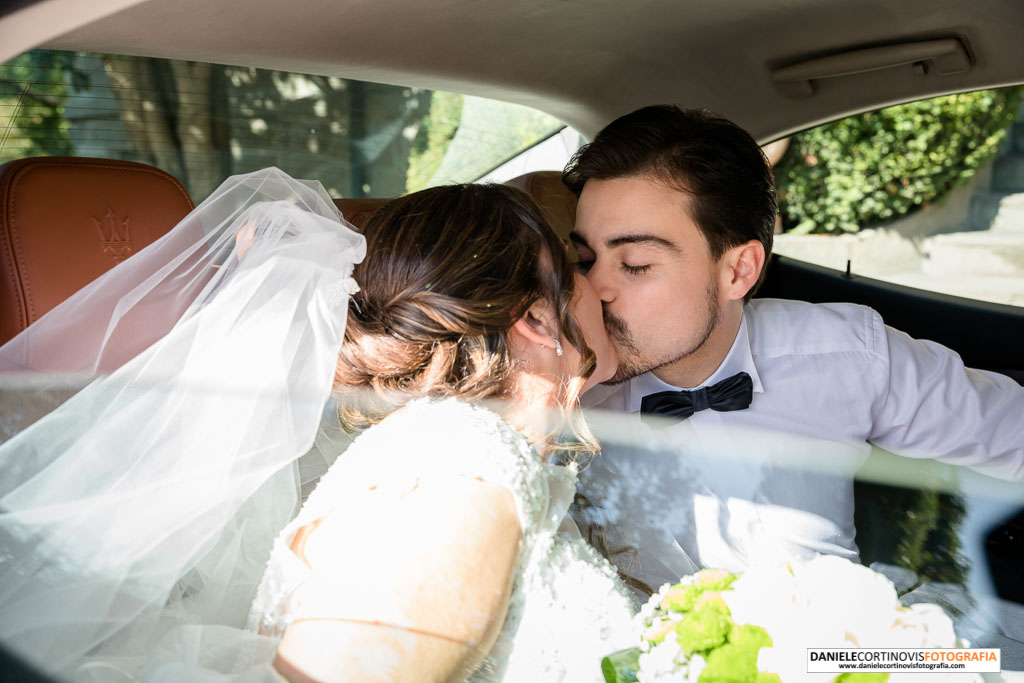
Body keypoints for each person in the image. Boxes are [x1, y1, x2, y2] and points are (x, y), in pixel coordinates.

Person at [0, 169, 636, 682]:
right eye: (577, 270)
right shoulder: (464, 478)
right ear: (534, 319)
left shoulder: (467, 452)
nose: (602, 290)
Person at [562, 105, 1024, 592]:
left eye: (634, 264)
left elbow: (1011, 434)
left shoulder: (845, 357)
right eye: (585, 259)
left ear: (739, 271)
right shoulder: (556, 389)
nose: (596, 288)